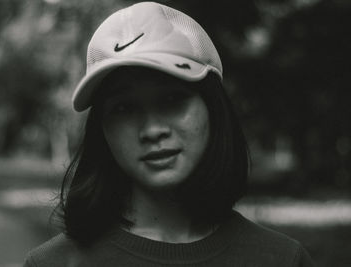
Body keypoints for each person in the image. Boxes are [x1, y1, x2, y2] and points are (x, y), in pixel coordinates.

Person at [24, 2, 314, 266]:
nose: (152, 130)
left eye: (173, 100)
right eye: (124, 108)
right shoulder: (53, 263)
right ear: (102, 129)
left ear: (213, 108)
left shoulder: (283, 260)